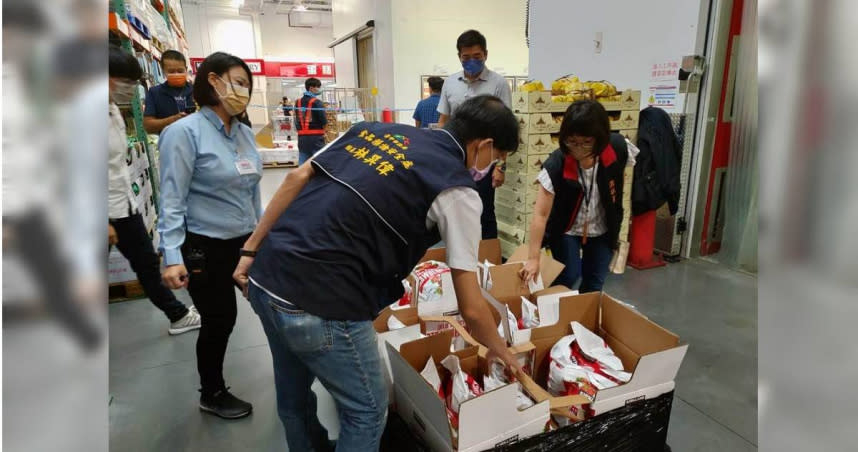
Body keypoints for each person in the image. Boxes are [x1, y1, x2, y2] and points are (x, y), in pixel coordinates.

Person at [232, 95, 523, 451]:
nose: (493, 169)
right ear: (485, 145)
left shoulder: (372, 131)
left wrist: (250, 249)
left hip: (268, 275)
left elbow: (296, 177)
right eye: (498, 159)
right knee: (367, 412)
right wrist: (500, 351)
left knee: (293, 397)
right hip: (324, 301)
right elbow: (472, 307)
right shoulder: (458, 190)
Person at [158, 51, 262, 419]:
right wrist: (171, 256)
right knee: (220, 320)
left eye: (248, 85)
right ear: (213, 81)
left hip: (247, 243)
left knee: (275, 307)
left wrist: (263, 238)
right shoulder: (183, 133)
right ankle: (212, 392)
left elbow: (253, 193)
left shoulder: (245, 134)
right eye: (238, 82)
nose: (244, 91)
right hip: (205, 246)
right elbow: (171, 199)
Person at [108, 46, 202, 335]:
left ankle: (177, 314)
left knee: (147, 262)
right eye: (125, 82)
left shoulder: (110, 109)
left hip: (124, 203)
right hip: (101, 212)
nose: (129, 89)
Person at [520, 100, 628, 293]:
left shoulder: (617, 149)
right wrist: (533, 258)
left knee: (595, 281)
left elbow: (620, 183)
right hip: (567, 228)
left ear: (600, 138)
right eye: (573, 142)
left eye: (587, 142)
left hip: (602, 226)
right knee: (568, 275)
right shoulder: (557, 164)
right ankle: (555, 314)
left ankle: (583, 318)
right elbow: (541, 215)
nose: (579, 149)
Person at [437, 29, 512, 239]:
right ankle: (457, 257)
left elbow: (504, 129)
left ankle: (488, 260)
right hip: (456, 159)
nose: (471, 61)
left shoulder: (498, 84)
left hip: (485, 161)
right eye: (466, 57)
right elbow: (444, 121)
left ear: (485, 54)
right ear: (459, 56)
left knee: (484, 210)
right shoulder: (450, 83)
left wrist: (501, 167)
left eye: (476, 57)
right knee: (454, 209)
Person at [143, 50, 194, 134]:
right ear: (163, 71)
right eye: (171, 71)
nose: (176, 74)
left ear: (186, 69)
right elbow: (148, 126)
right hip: (169, 143)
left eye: (180, 71)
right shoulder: (155, 92)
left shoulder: (195, 90)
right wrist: (173, 119)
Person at [295, 77, 327, 164]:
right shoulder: (317, 102)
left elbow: (296, 119)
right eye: (318, 87)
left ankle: (301, 177)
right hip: (316, 138)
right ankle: (318, 177)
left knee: (303, 160)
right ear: (311, 88)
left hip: (302, 138)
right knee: (318, 162)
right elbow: (324, 120)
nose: (319, 89)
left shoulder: (297, 102)